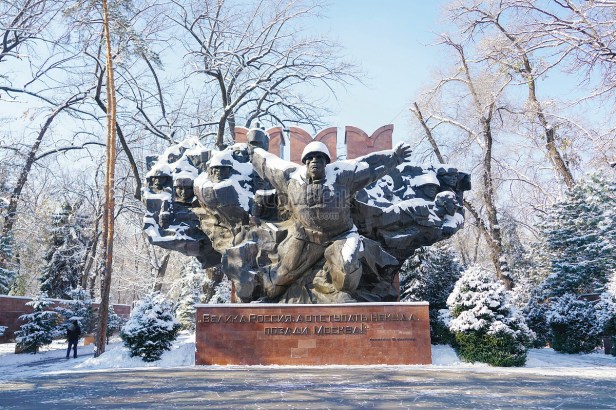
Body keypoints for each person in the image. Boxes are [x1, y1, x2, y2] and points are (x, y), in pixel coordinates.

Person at [251, 140, 412, 299]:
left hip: (341, 235)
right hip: (306, 237)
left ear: (326, 162)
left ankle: (336, 279)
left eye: (319, 157)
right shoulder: (290, 178)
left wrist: (394, 157)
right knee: (276, 283)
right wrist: (252, 151)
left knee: (347, 273)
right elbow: (268, 164)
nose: (315, 161)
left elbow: (368, 167)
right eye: (311, 158)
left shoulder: (342, 175)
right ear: (305, 162)